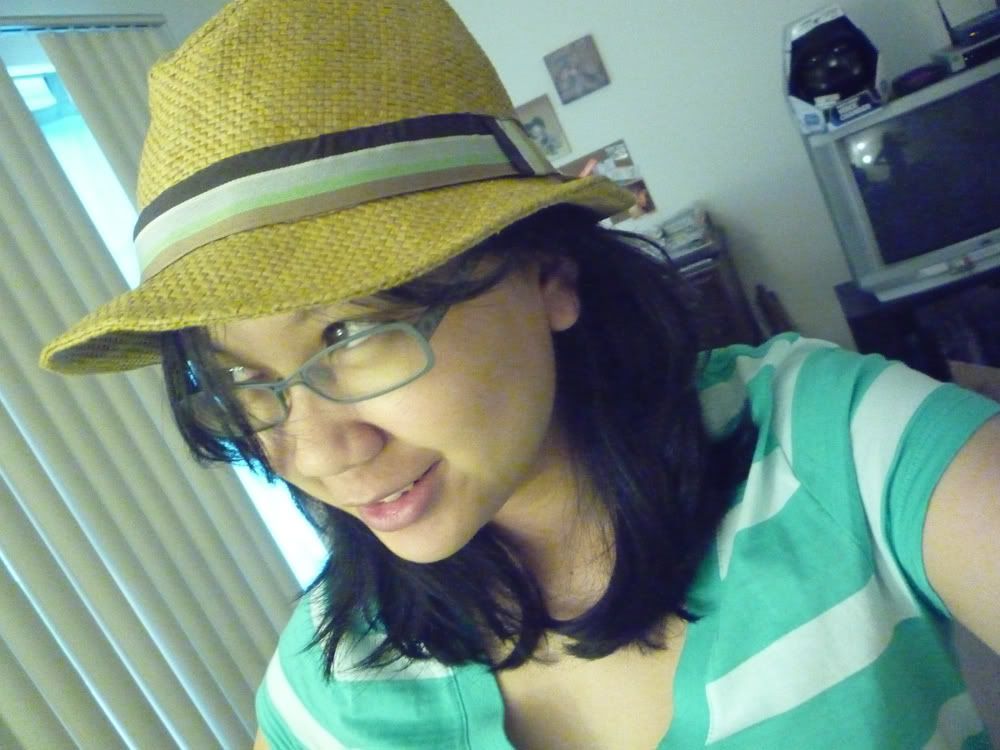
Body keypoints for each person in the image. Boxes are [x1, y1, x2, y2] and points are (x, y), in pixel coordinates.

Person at [40, 0, 1000, 748]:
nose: (320, 453)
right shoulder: (330, 684)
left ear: (549, 275)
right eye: (242, 382)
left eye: (348, 332)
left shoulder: (838, 446)